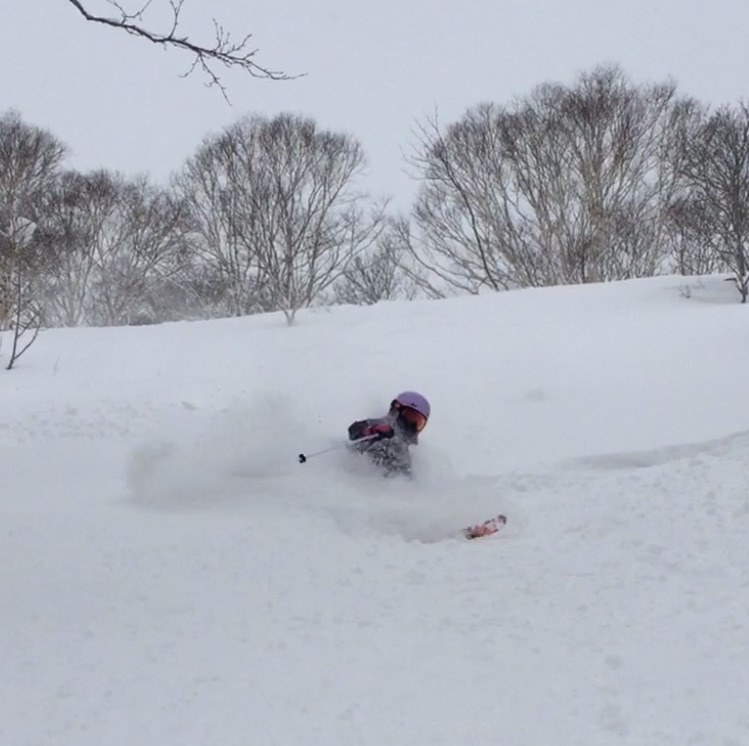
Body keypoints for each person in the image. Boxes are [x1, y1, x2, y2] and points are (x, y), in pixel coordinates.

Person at [347, 391, 430, 477]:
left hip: (379, 486)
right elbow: (354, 432)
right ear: (397, 411)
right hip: (355, 476)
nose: (411, 426)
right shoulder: (380, 425)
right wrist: (371, 432)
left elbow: (407, 481)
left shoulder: (411, 454)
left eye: (418, 423)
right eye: (410, 417)